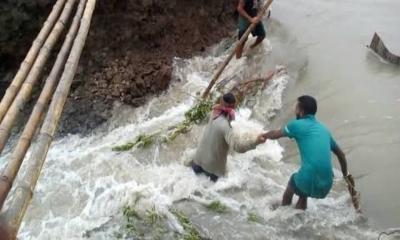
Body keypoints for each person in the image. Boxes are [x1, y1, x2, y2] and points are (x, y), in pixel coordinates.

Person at [262, 95, 353, 210]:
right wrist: (346, 175)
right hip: (327, 185)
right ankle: (299, 216)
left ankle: (283, 214)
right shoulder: (324, 129)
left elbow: (276, 134)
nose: (294, 109)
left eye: (295, 107)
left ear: (301, 110)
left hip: (307, 179)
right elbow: (341, 154)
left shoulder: (296, 125)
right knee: (303, 192)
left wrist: (262, 136)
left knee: (292, 183)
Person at [192, 93, 266, 182]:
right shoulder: (226, 126)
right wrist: (256, 141)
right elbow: (238, 147)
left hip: (196, 162)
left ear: (221, 102)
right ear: (233, 107)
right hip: (212, 171)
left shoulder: (213, 112)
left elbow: (198, 121)